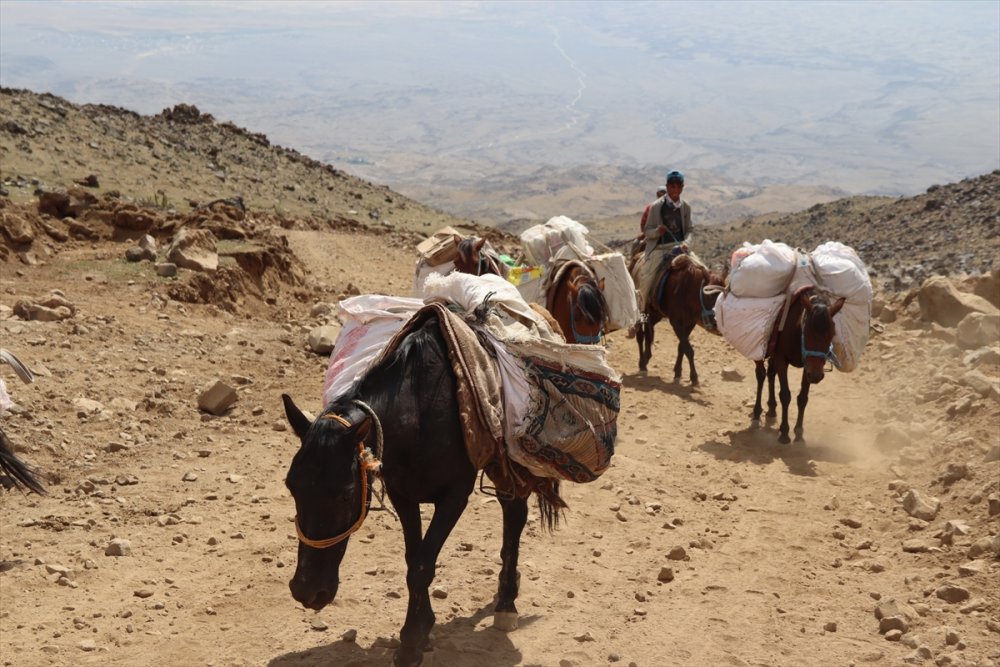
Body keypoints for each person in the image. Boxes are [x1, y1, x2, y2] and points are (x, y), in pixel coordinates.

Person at [627, 170, 693, 336]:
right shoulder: (656, 207)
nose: (675, 190)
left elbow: (690, 230)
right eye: (672, 186)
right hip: (660, 248)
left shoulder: (685, 207)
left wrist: (686, 242)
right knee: (646, 280)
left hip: (680, 247)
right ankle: (638, 318)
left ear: (683, 187)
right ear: (667, 187)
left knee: (703, 272)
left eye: (678, 186)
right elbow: (648, 231)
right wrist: (657, 231)